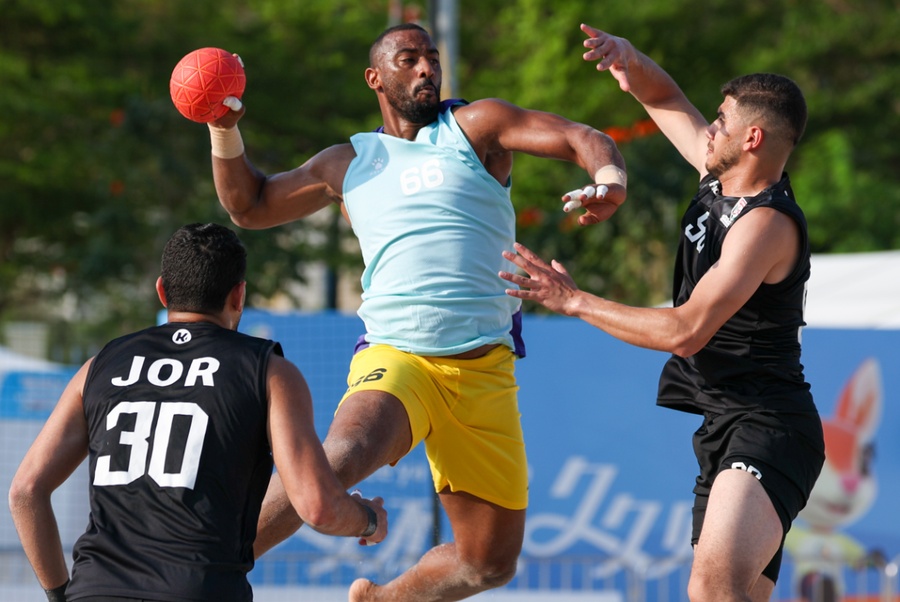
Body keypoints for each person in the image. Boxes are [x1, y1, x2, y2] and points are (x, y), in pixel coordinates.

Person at [204, 22, 627, 602]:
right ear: (375, 78)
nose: (428, 67)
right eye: (409, 59)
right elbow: (247, 206)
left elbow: (581, 136)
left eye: (432, 57)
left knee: (487, 564)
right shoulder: (346, 163)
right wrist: (224, 130)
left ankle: (379, 600)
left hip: (484, 370)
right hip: (399, 357)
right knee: (344, 457)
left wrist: (608, 178)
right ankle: (201, 566)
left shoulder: (476, 126)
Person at [499, 23, 826, 602]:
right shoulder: (719, 177)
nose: (710, 127)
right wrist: (629, 59)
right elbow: (665, 98)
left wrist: (574, 300)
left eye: (721, 120)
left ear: (752, 138)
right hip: (724, 427)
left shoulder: (765, 225)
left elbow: (687, 331)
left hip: (770, 428)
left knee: (710, 588)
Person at [8, 223, 388, 602]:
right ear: (239, 296)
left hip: (96, 591)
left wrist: (60, 595)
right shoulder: (268, 372)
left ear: (162, 291)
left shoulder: (99, 366)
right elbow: (316, 506)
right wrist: (368, 519)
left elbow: (25, 492)